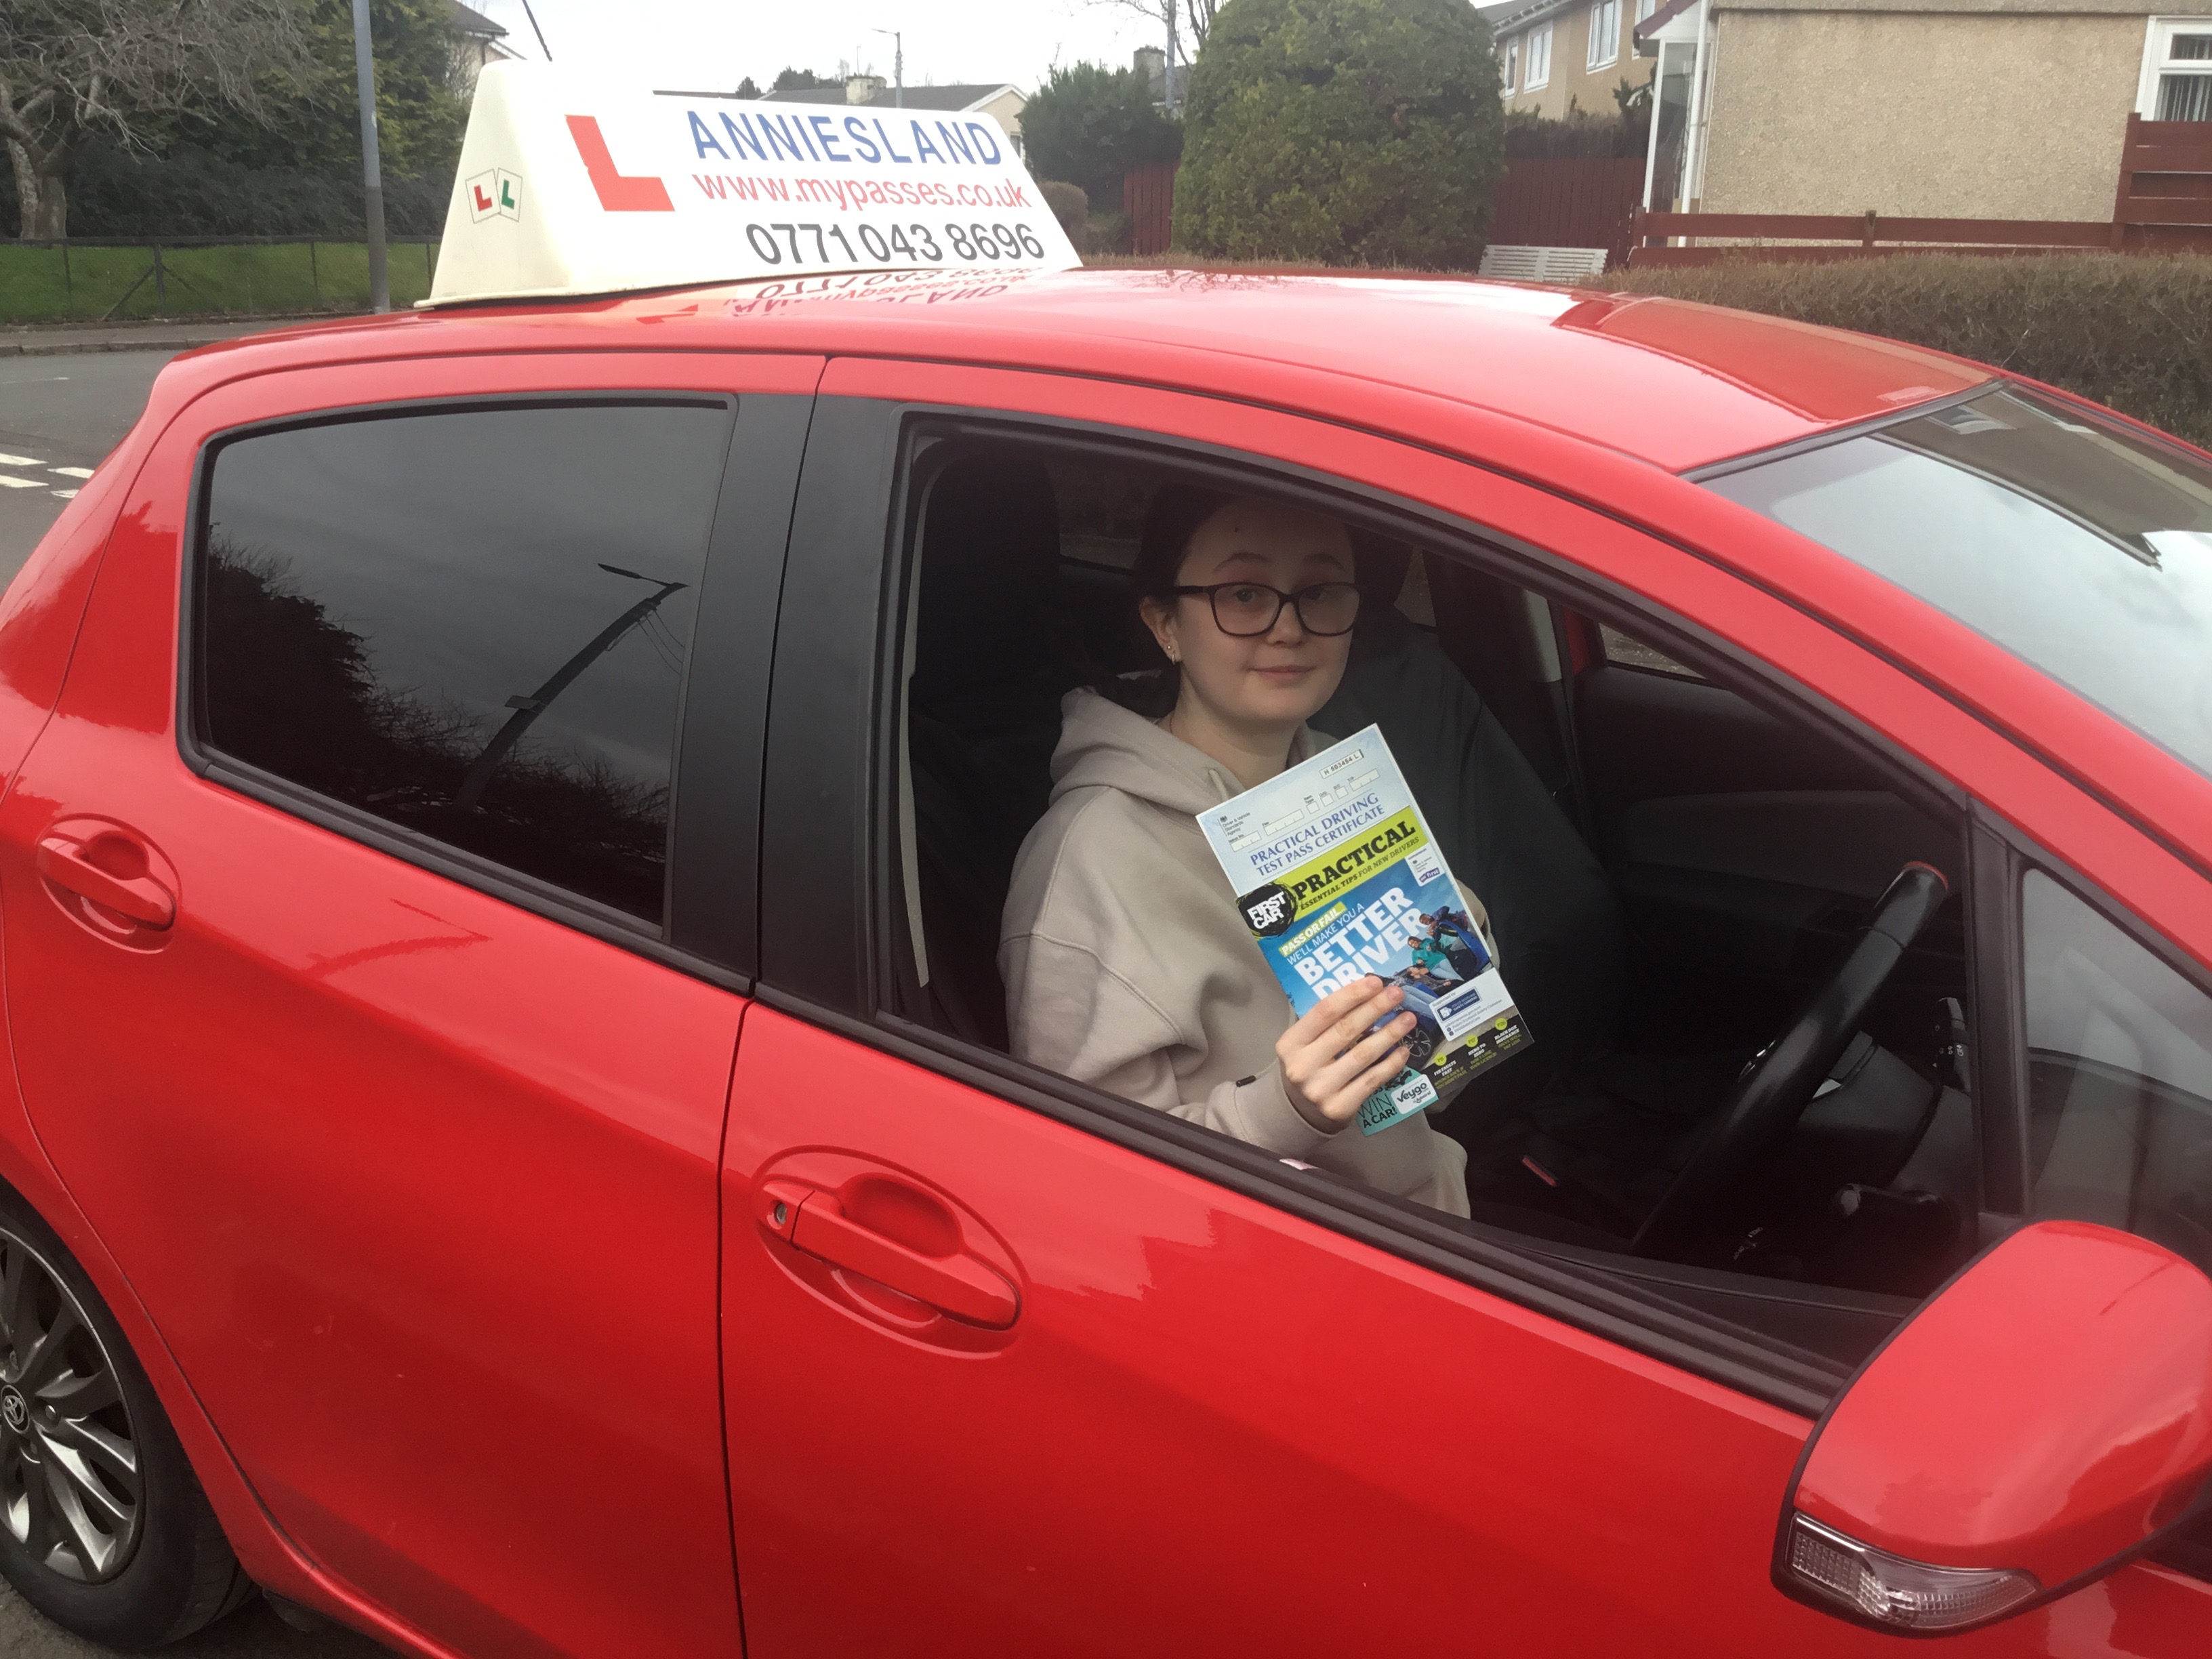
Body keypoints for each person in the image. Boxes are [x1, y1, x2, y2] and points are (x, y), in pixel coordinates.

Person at [1000, 485, 1477, 1217]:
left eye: (1319, 591)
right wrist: (1286, 1111)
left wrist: (1462, 988)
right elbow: (1091, 1195)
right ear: (1166, 624)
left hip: (1427, 1224)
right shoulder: (1088, 856)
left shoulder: (1347, 791)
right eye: (1245, 593)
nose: (1289, 628)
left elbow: (1424, 1098)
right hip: (1280, 1272)